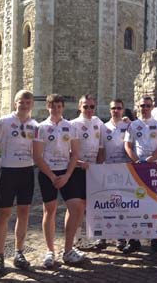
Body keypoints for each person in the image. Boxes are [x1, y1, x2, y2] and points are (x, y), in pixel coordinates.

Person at [33, 94, 87, 268]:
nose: (56, 109)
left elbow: (75, 154)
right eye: (53, 106)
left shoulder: (70, 127)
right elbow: (37, 156)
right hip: (47, 173)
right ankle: (50, 251)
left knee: (76, 207)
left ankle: (68, 250)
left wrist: (67, 176)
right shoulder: (41, 127)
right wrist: (51, 176)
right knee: (50, 210)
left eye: (59, 106)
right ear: (48, 107)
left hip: (66, 172)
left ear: (63, 107)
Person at [0, 90, 38, 276]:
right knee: (4, 214)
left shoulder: (35, 125)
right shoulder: (3, 122)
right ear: (15, 103)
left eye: (27, 102)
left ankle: (19, 252)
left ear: (31, 104)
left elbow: (38, 152)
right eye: (21, 102)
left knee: (24, 213)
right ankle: (0, 256)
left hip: (27, 172)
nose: (24, 105)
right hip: (9, 172)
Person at [124, 95, 157, 253]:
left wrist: (150, 159)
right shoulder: (133, 125)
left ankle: (155, 239)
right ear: (138, 106)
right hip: (137, 167)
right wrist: (136, 160)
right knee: (135, 204)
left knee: (155, 204)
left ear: (152, 106)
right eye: (142, 105)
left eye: (148, 105)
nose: (145, 108)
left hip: (154, 166)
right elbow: (128, 145)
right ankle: (134, 239)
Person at [70, 94, 104, 250]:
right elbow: (66, 152)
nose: (89, 109)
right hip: (76, 170)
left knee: (90, 205)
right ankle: (75, 238)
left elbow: (103, 144)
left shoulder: (98, 122)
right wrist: (78, 163)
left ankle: (87, 237)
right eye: (85, 106)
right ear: (79, 107)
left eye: (92, 106)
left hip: (92, 170)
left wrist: (127, 122)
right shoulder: (73, 124)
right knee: (76, 207)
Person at [97, 99, 132, 251]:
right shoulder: (103, 128)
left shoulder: (129, 126)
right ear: (110, 110)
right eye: (113, 108)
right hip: (108, 170)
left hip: (125, 170)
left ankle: (120, 237)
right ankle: (102, 235)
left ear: (123, 110)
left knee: (123, 205)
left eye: (119, 108)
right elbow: (101, 151)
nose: (116, 111)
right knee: (106, 205)